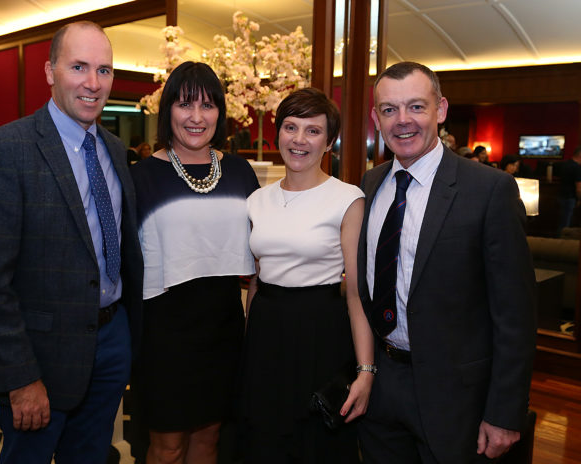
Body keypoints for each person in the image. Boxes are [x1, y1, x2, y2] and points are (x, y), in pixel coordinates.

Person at [0, 21, 143, 463]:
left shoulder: (115, 150)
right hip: (39, 355)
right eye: (78, 67)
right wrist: (20, 375)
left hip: (110, 342)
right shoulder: (5, 149)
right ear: (49, 71)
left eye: (104, 70)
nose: (93, 82)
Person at [358, 61, 536, 464]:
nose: (403, 120)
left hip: (456, 397)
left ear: (440, 110)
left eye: (416, 107)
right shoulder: (371, 184)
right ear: (376, 119)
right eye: (389, 110)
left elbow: (515, 314)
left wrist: (505, 412)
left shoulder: (489, 190)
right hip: (382, 386)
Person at [130, 61, 259, 464]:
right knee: (167, 447)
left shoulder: (240, 172)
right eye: (185, 104)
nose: (197, 117)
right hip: (164, 333)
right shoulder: (141, 177)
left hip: (223, 326)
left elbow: (261, 252)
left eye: (207, 105)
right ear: (168, 109)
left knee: (209, 439)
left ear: (220, 112)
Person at [242, 87, 374, 463]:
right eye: (290, 127)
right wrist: (249, 344)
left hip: (321, 331)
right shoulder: (256, 200)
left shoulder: (347, 198)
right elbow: (257, 279)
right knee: (264, 442)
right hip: (266, 331)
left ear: (329, 142)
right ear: (278, 134)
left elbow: (356, 292)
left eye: (313, 131)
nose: (299, 139)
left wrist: (365, 371)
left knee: (315, 446)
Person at [558, 145, 581, 235]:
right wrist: (579, 199)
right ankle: (562, 240)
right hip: (570, 198)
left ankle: (558, 238)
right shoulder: (577, 168)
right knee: (566, 223)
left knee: (561, 221)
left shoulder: (564, 164)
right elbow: (579, 188)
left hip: (561, 196)